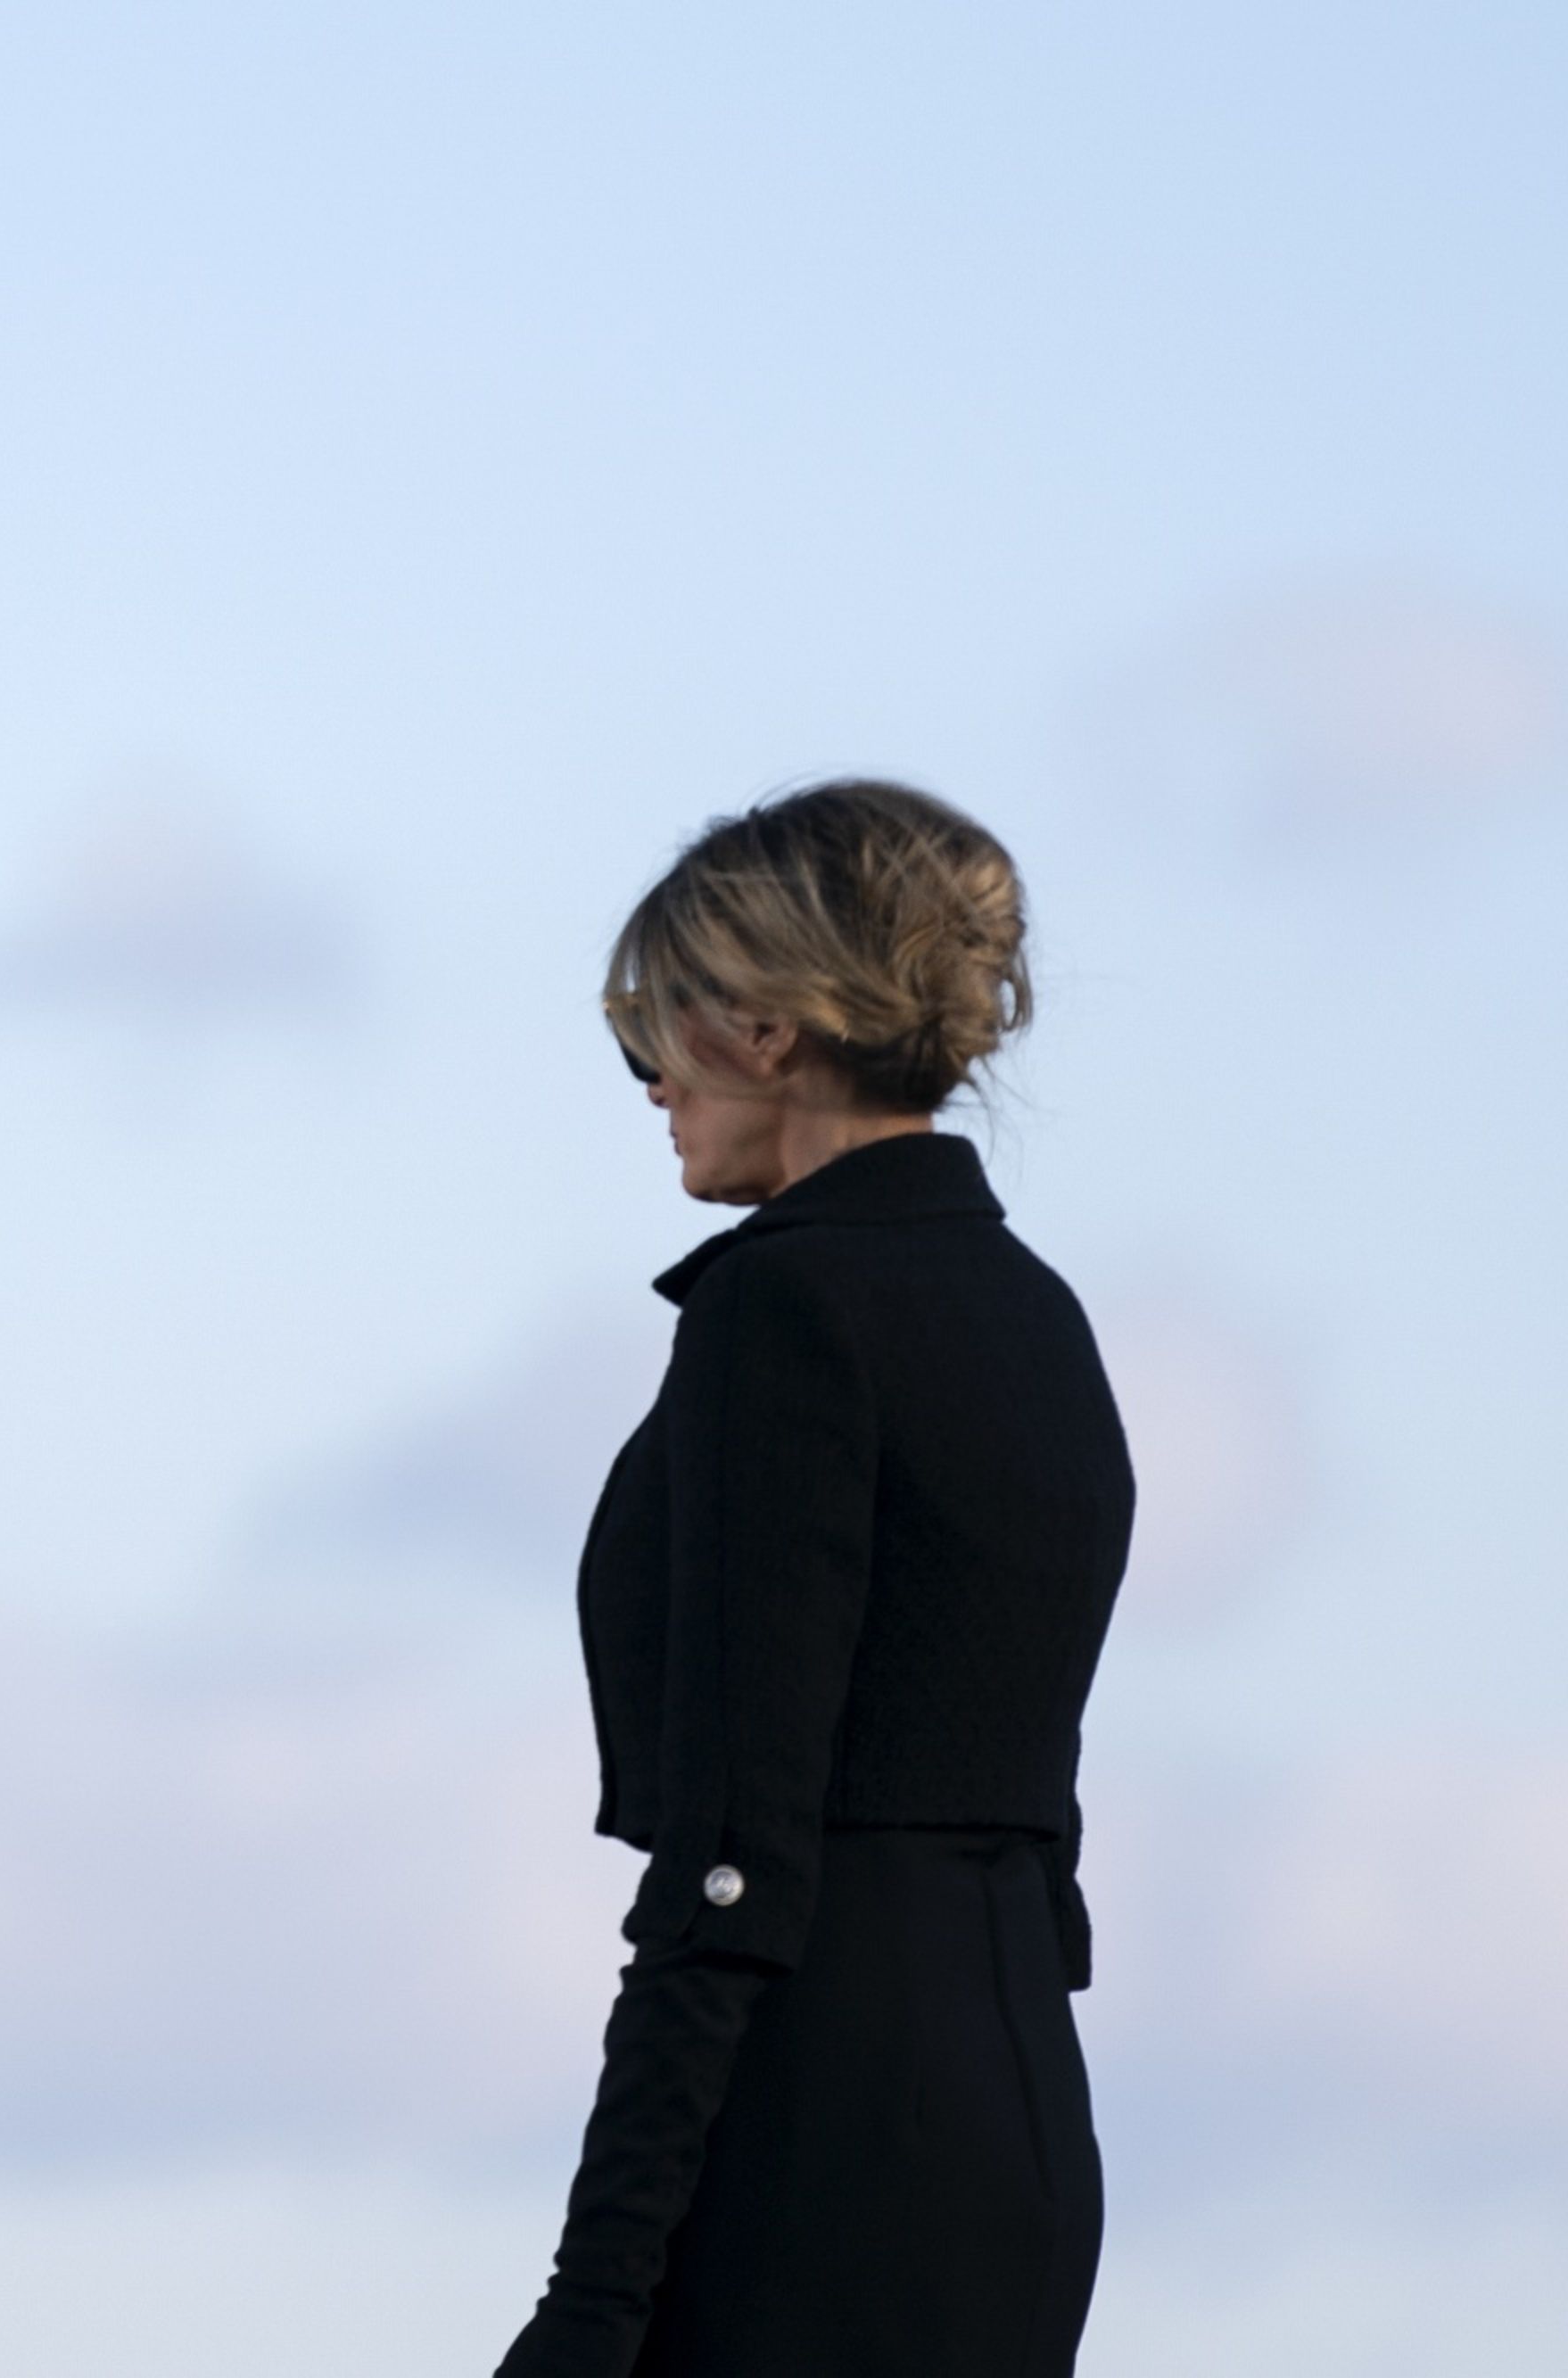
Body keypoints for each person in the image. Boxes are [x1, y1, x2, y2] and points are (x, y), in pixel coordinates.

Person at [496, 782, 1134, 2378]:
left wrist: (592, 2296)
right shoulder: (1033, 1310)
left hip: (819, 2122)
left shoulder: (782, 1314)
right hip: (1020, 2114)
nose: (649, 1084)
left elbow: (736, 1856)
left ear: (768, 1026)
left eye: (656, 1030)